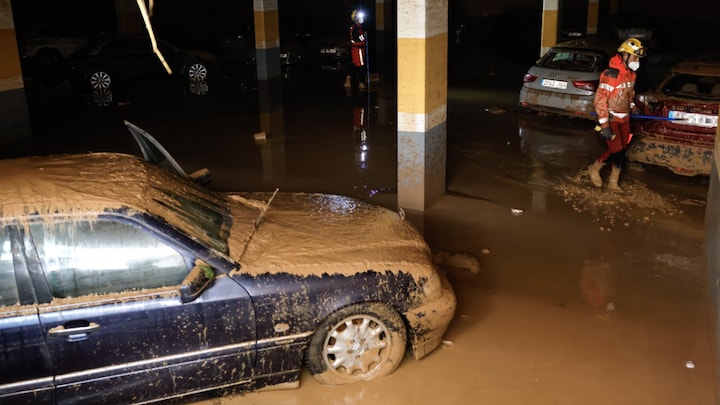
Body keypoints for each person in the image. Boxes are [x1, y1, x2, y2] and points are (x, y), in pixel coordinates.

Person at [587, 37, 646, 192]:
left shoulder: (631, 74)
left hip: (625, 119)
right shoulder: (611, 74)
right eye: (634, 57)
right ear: (625, 55)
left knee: (621, 151)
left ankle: (613, 182)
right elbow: (600, 101)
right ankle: (595, 167)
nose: (636, 61)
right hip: (611, 118)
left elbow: (628, 95)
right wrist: (604, 125)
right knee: (617, 150)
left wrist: (633, 107)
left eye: (638, 58)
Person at [343, 10, 367, 90]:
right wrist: (364, 36)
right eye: (359, 17)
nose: (361, 18)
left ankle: (348, 79)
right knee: (360, 66)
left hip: (359, 49)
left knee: (354, 65)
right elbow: (356, 38)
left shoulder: (359, 27)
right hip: (357, 49)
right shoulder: (355, 28)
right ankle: (360, 82)